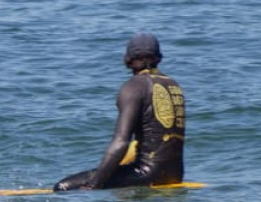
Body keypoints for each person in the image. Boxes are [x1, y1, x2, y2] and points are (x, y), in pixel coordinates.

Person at [53, 34, 185, 191]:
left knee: (62, 187)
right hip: (175, 174)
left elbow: (121, 142)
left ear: (127, 59)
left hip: (147, 173)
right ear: (159, 58)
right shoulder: (173, 84)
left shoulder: (134, 86)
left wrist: (95, 183)